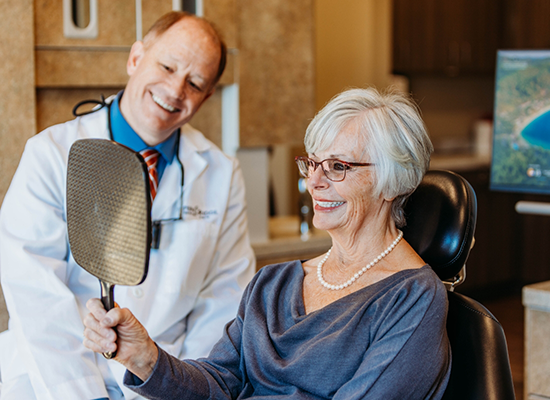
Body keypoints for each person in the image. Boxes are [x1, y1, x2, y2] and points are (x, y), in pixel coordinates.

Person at [83, 87, 451, 399]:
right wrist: (143, 357)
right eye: (312, 164)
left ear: (394, 181)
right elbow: (218, 383)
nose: (315, 183)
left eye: (338, 166)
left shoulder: (414, 299)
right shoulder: (273, 285)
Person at [0, 11, 255, 400]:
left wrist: (171, 384)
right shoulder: (51, 155)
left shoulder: (221, 173)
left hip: (162, 381)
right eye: (167, 66)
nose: (174, 90)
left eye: (195, 82)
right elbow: (35, 291)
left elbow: (223, 304)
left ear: (206, 97)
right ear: (136, 58)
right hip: (52, 381)